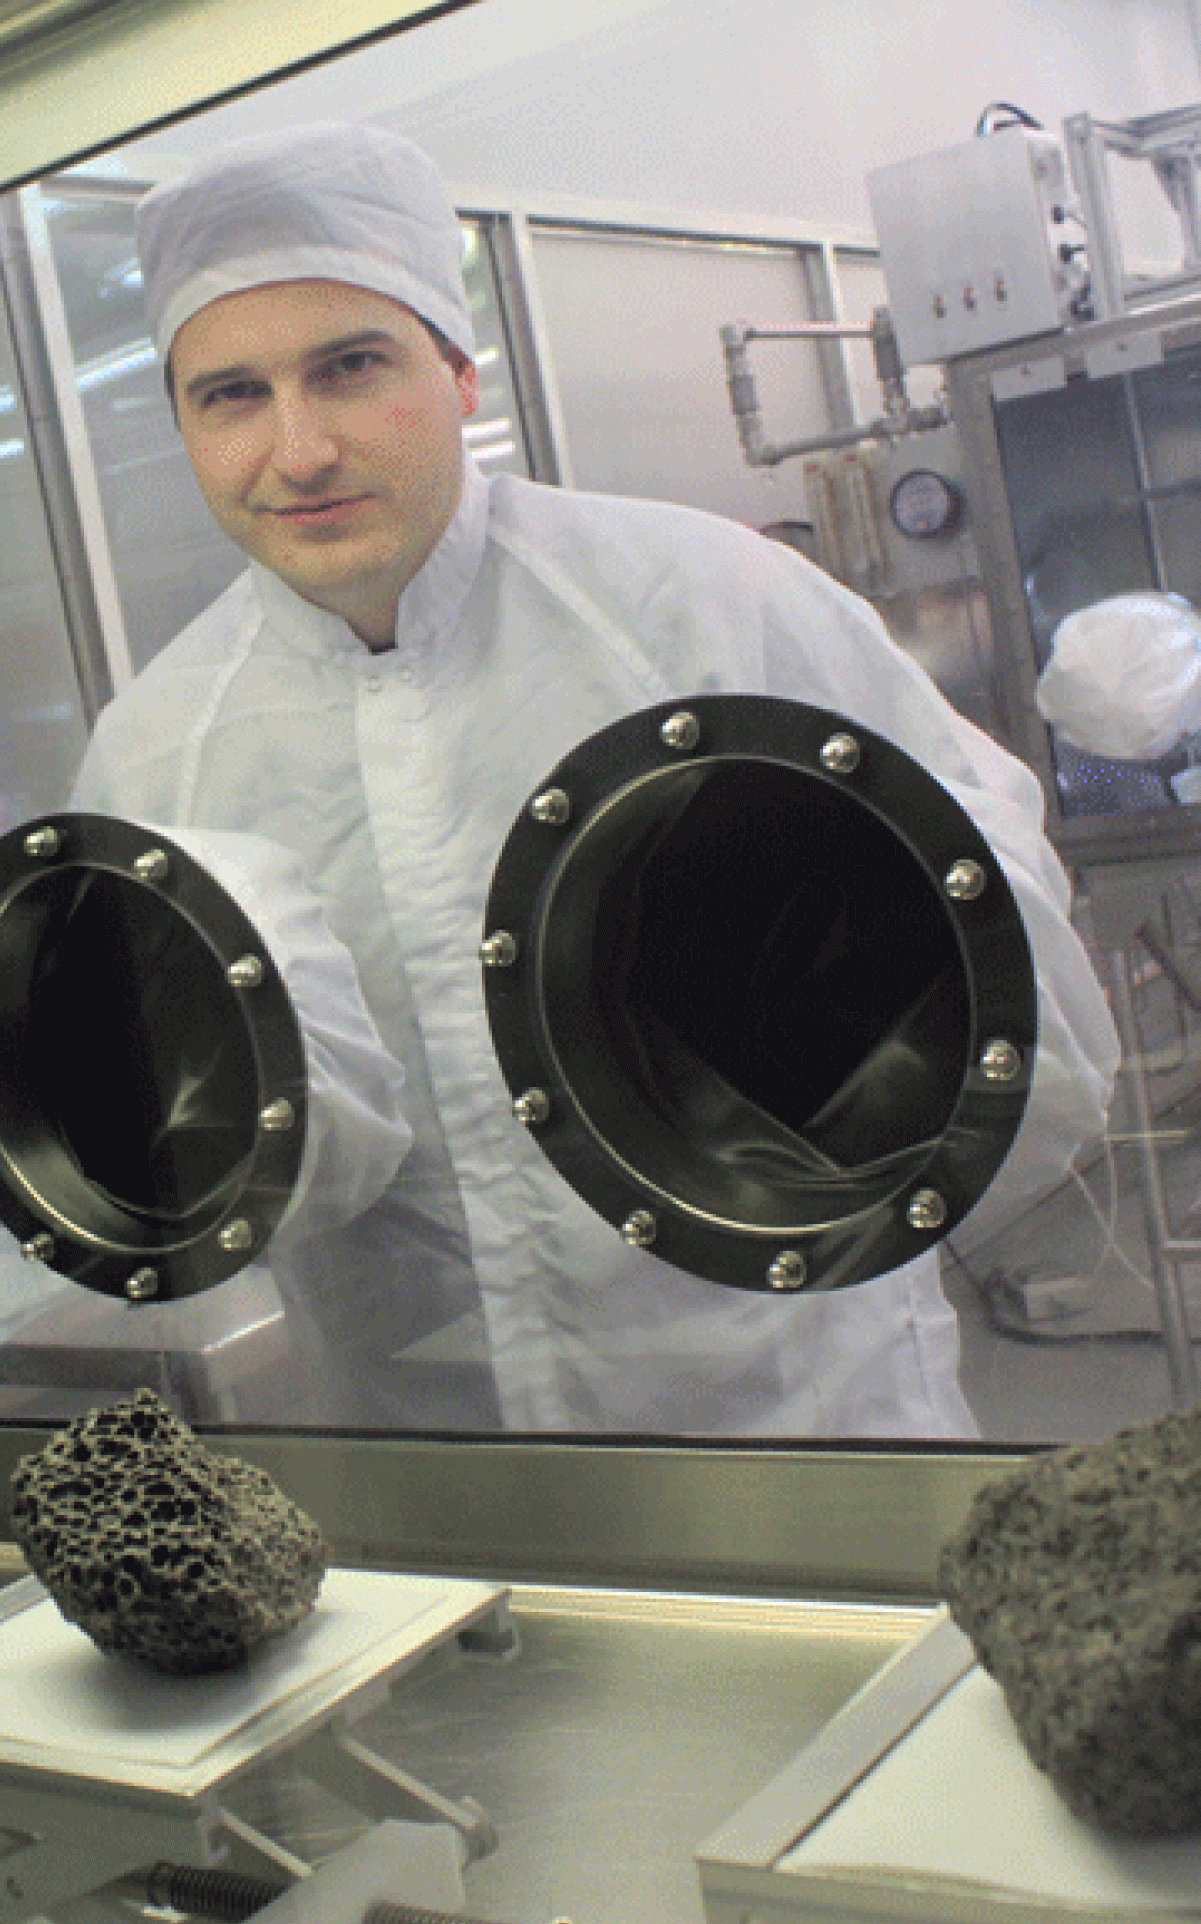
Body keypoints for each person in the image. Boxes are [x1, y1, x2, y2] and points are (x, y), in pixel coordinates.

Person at [71, 123, 1120, 1436]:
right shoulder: (160, 749)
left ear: (457, 376)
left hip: (809, 1431)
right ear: (180, 422)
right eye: (230, 394)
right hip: (446, 1496)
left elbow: (1020, 989)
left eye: (351, 368)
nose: (299, 451)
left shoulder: (704, 606)